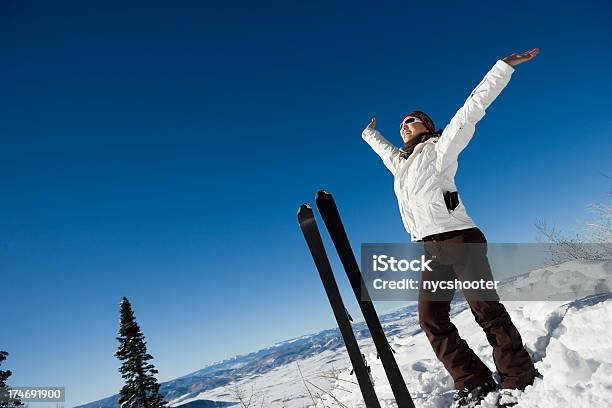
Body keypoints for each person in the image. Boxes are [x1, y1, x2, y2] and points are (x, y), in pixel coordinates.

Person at [361, 48, 540, 407]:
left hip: (461, 239)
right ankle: (473, 381)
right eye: (402, 123)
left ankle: (519, 375)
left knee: (485, 309)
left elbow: (471, 111)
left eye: (411, 120)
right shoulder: (401, 164)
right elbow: (385, 151)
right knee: (430, 318)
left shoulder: (441, 148)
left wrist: (502, 67)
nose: (404, 125)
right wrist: (369, 134)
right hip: (430, 248)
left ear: (427, 125)